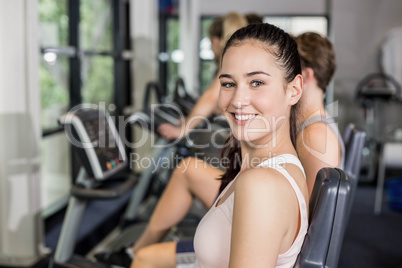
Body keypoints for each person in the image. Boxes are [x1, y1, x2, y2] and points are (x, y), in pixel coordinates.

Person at [94, 12, 247, 268]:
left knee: (185, 171)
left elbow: (211, 96)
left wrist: (183, 128)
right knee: (186, 169)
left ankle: (137, 252)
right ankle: (138, 250)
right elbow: (211, 98)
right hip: (241, 179)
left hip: (246, 196)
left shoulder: (230, 72)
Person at [193, 22, 307, 267]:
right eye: (228, 83)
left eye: (256, 82)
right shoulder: (256, 171)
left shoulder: (262, 185)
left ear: (294, 90)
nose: (237, 100)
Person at [294, 31, 345, 195]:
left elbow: (309, 217)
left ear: (306, 75)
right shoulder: (307, 126)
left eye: (288, 70)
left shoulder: (315, 136)